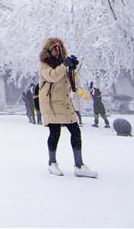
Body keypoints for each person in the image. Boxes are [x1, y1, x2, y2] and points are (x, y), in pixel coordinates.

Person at [39, 37, 97, 178]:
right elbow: (52, 76)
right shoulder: (44, 65)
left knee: (75, 131)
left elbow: (70, 82)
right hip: (51, 103)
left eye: (59, 48)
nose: (57, 51)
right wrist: (64, 65)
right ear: (48, 50)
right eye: (54, 48)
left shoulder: (61, 64)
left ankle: (79, 165)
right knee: (55, 133)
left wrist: (72, 68)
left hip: (64, 103)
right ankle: (52, 163)